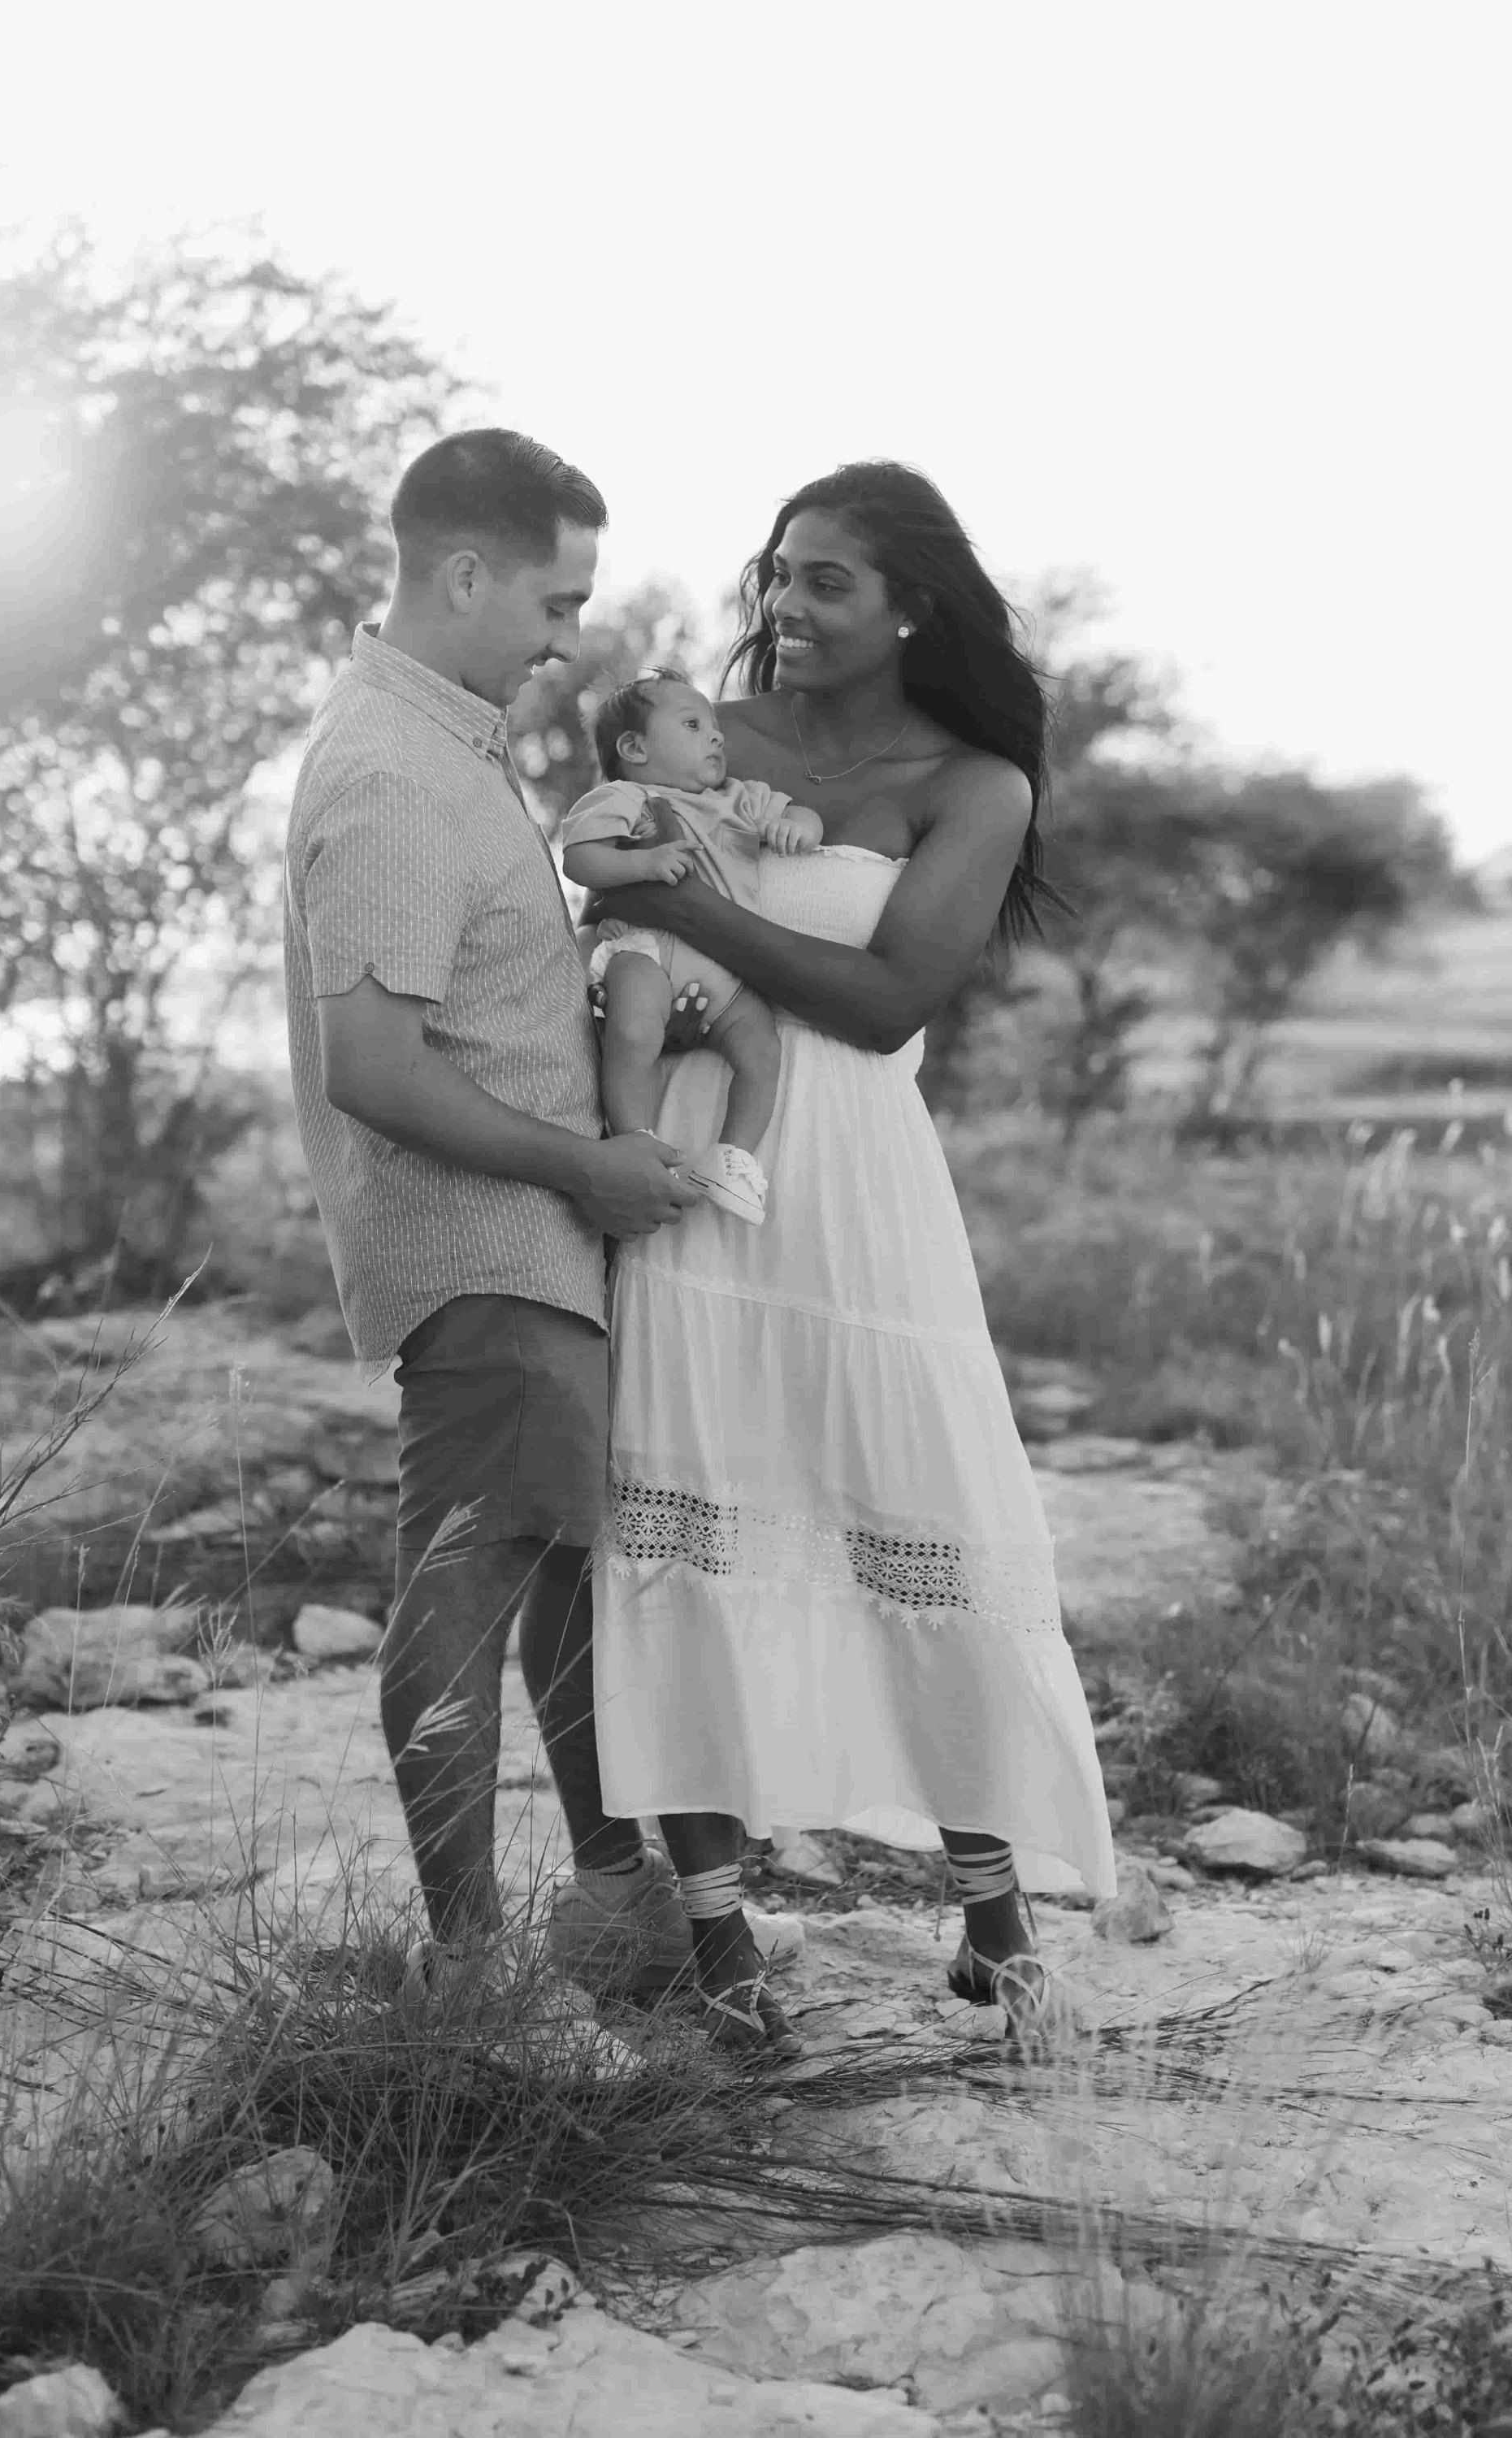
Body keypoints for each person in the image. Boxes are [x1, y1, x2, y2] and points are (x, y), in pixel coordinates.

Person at [587, 461, 1117, 2053]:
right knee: (679, 1520)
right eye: (777, 572)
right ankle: (717, 1933)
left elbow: (888, 1001)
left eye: (827, 580)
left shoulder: (972, 785)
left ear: (911, 608)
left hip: (861, 1189)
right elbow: (588, 885)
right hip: (693, 1169)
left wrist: (694, 908)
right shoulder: (702, 742)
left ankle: (995, 1924)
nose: (785, 605)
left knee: (918, 1515)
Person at [283, 427, 705, 2019]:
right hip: (486, 1247)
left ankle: (612, 1904)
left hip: (533, 1249)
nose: (565, 641)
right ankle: (470, 1976)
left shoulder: (445, 747)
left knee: (560, 1573)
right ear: (464, 574)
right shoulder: (392, 775)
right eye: (554, 602)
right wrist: (583, 1167)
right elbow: (377, 1067)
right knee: (466, 1580)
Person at [561, 670, 822, 1226]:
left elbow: (800, 811)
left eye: (714, 726)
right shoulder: (629, 797)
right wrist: (643, 862)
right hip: (648, 950)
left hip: (726, 969)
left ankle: (734, 1157)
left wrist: (801, 828)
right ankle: (636, 1137)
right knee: (634, 1031)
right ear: (634, 748)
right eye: (692, 725)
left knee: (761, 1049)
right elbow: (580, 859)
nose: (716, 735)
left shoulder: (739, 799)